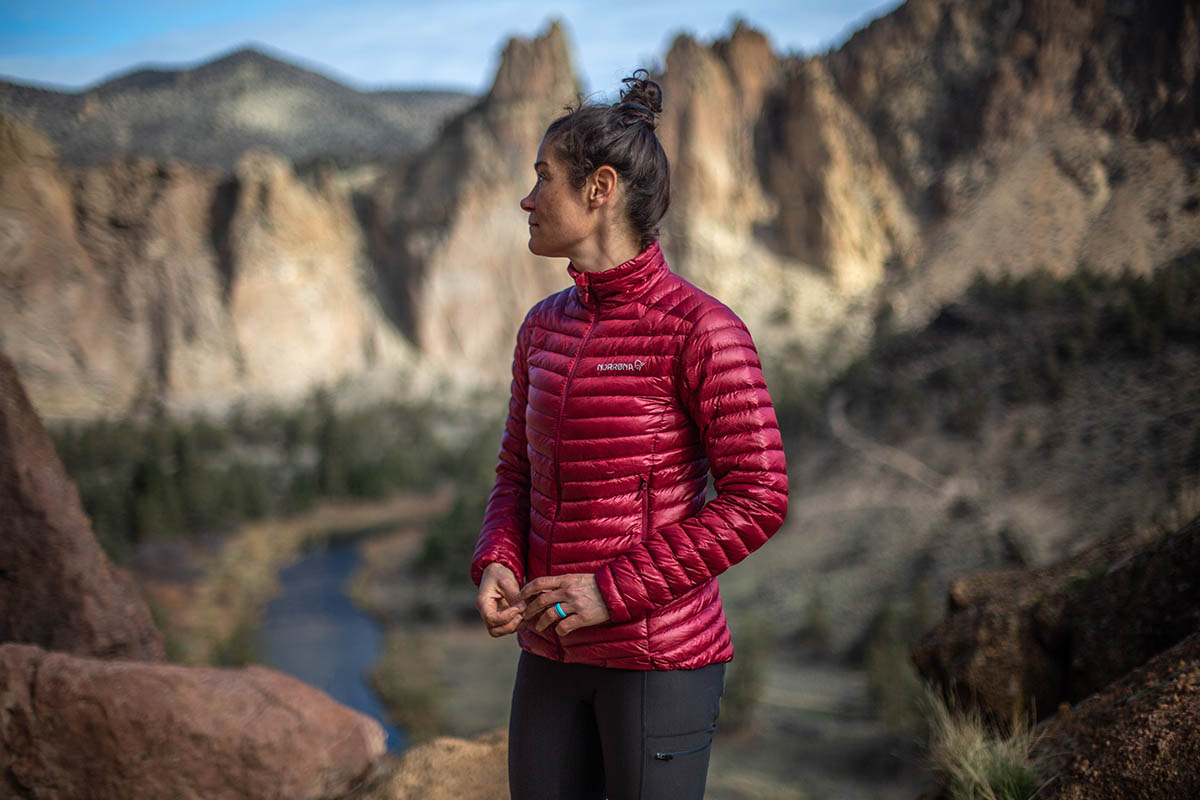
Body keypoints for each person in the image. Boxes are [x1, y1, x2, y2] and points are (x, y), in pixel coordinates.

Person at [471, 69, 788, 800]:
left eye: (543, 177)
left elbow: (760, 496)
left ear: (599, 188)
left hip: (661, 660)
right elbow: (515, 472)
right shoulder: (542, 327)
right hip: (548, 650)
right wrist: (498, 559)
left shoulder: (702, 329)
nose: (527, 198)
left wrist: (608, 593)